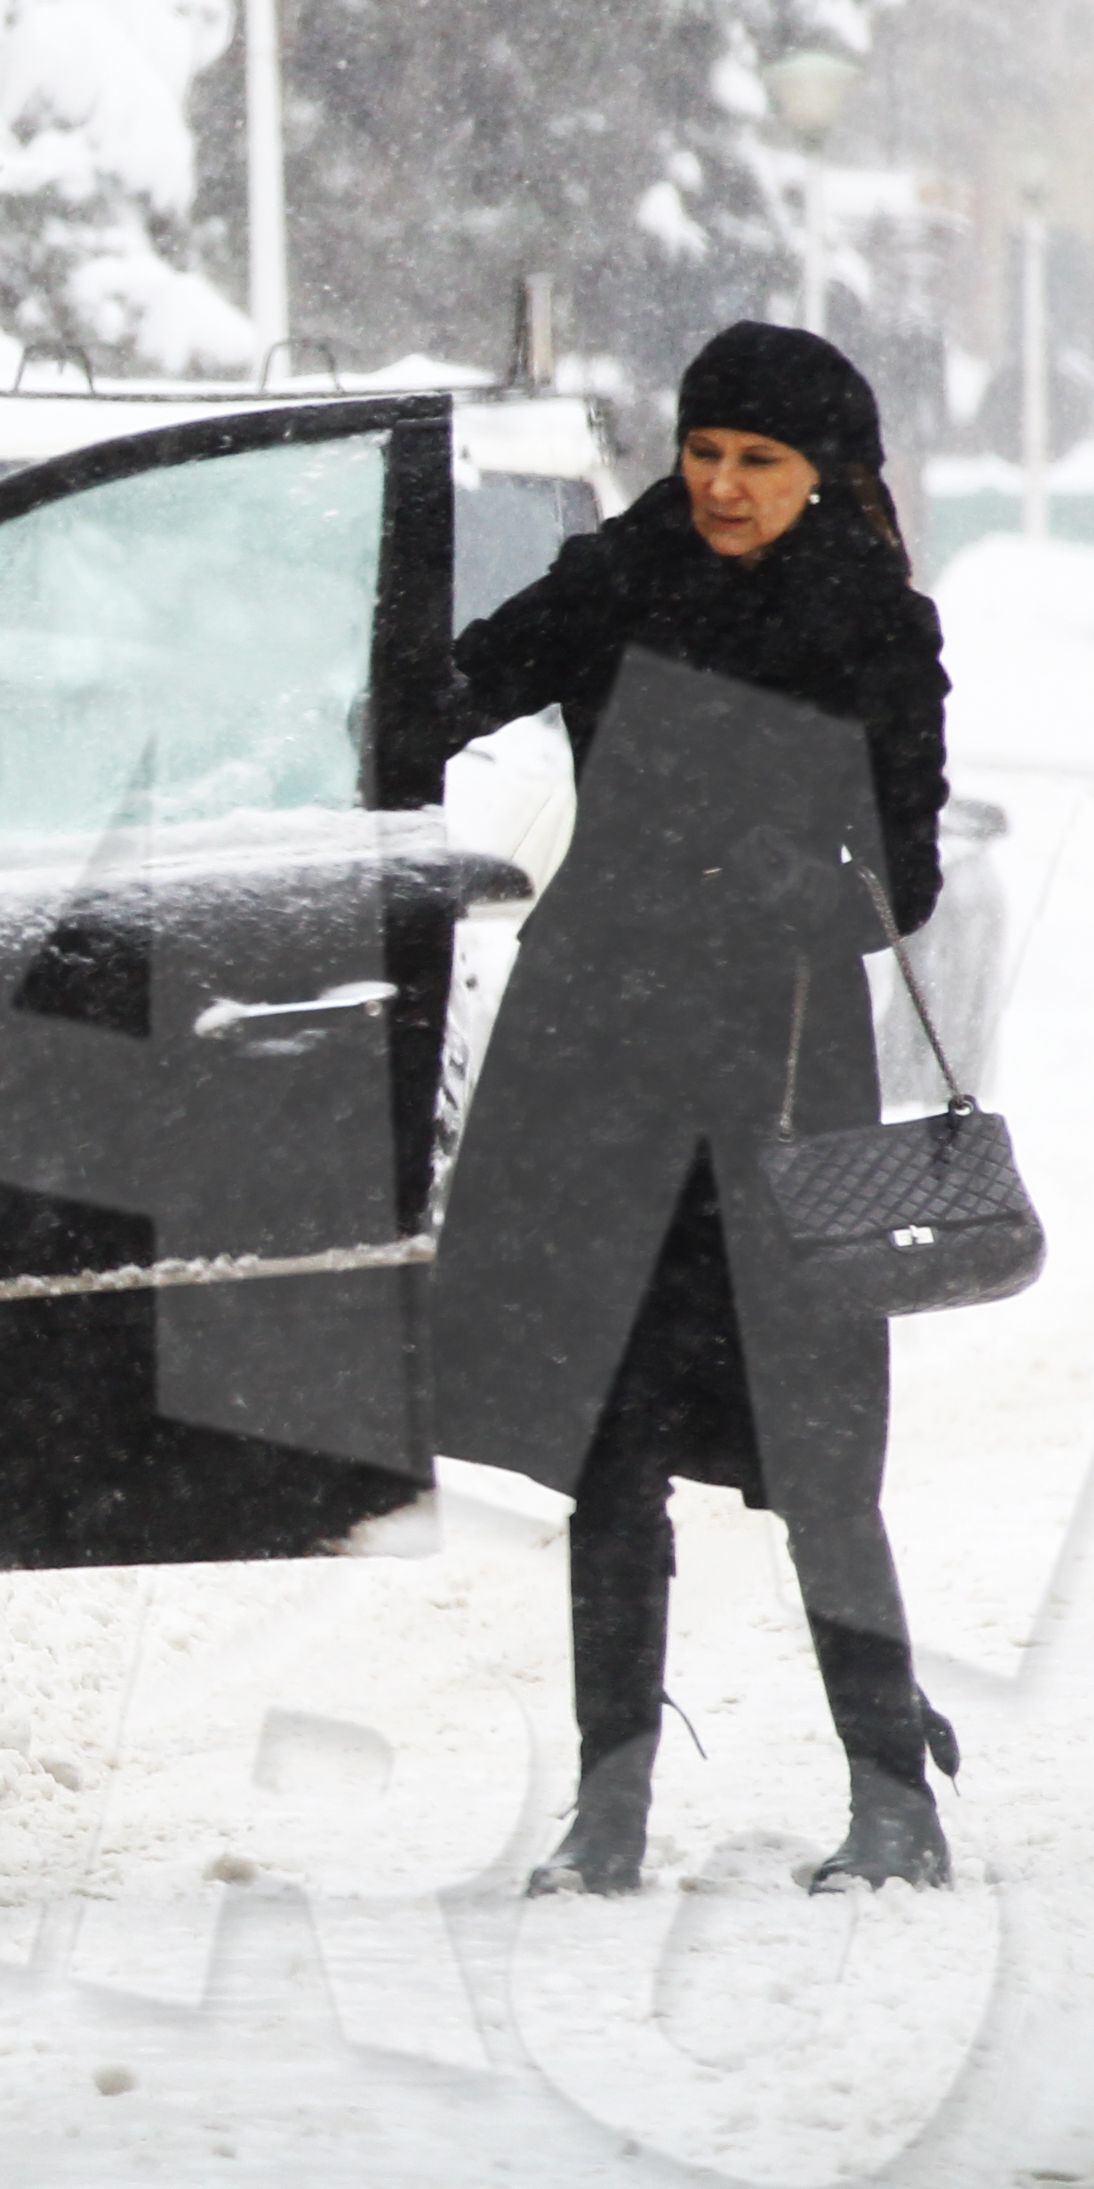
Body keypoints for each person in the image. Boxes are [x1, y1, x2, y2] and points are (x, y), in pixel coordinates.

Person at [433, 323, 960, 1897]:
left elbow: (906, 872)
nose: (724, 488)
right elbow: (455, 691)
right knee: (613, 1444)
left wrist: (815, 881)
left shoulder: (877, 624)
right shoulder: (615, 582)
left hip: (778, 1076)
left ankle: (890, 1800)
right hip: (600, 1072)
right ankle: (610, 1814)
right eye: (707, 452)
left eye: (761, 463)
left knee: (823, 1454)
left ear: (828, 476)